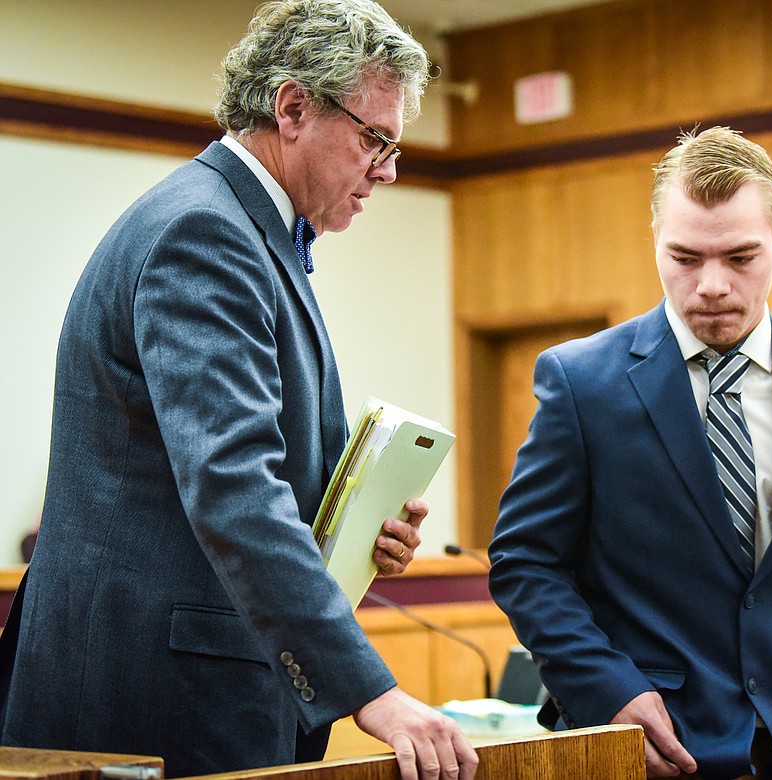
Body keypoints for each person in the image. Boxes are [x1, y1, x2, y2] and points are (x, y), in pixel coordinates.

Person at [0, 3, 477, 779]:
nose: (388, 170)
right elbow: (230, 486)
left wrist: (348, 527)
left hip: (176, 685)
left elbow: (219, 471)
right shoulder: (207, 234)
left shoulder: (247, 230)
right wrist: (370, 690)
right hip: (152, 700)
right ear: (292, 108)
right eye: (374, 139)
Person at [488, 127, 772, 780]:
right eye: (685, 258)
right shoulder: (581, 383)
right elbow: (526, 563)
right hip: (643, 751)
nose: (711, 286)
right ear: (654, 241)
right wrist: (609, 693)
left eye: (740, 258)